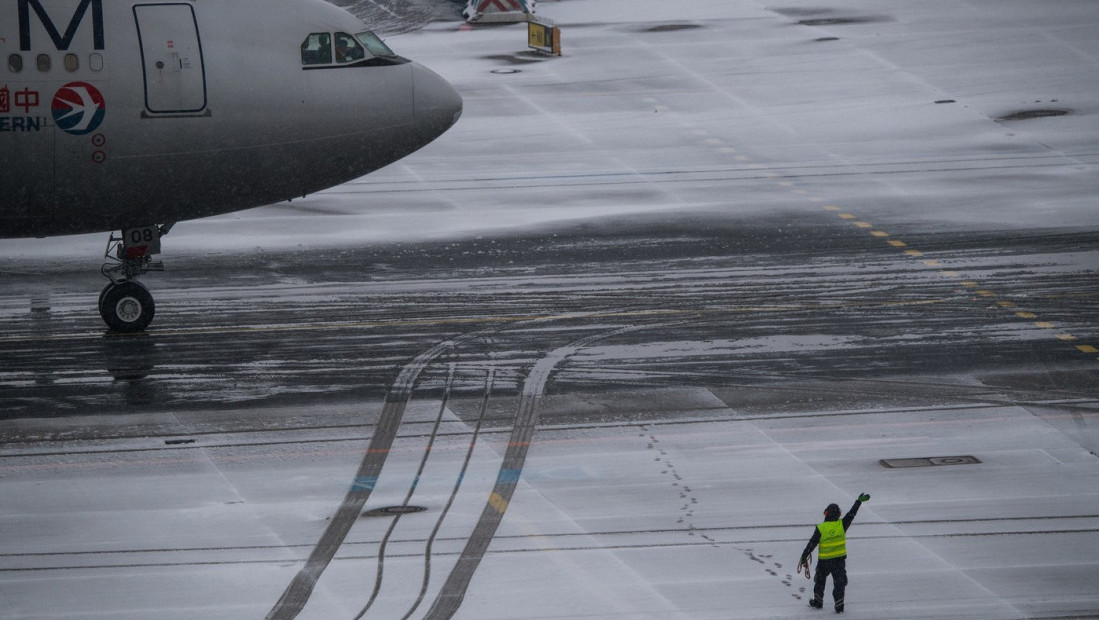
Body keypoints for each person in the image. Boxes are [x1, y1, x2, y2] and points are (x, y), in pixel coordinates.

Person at [798, 492, 870, 613]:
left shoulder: (821, 528)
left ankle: (818, 602)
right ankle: (839, 606)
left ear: (826, 514)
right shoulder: (842, 525)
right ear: (838, 514)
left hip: (824, 562)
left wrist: (803, 557)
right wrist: (858, 502)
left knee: (820, 582)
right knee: (839, 584)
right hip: (838, 562)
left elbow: (812, 544)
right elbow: (851, 514)